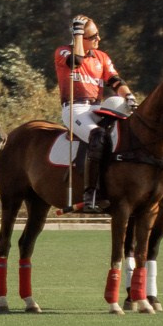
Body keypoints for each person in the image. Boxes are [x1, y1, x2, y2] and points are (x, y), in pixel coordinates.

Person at [55, 15, 127, 212]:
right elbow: (76, 61)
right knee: (97, 136)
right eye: (93, 36)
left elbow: (116, 81)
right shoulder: (63, 51)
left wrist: (128, 97)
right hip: (74, 108)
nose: (99, 39)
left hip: (97, 106)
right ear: (80, 38)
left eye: (98, 35)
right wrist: (77, 34)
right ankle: (91, 194)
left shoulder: (101, 57)